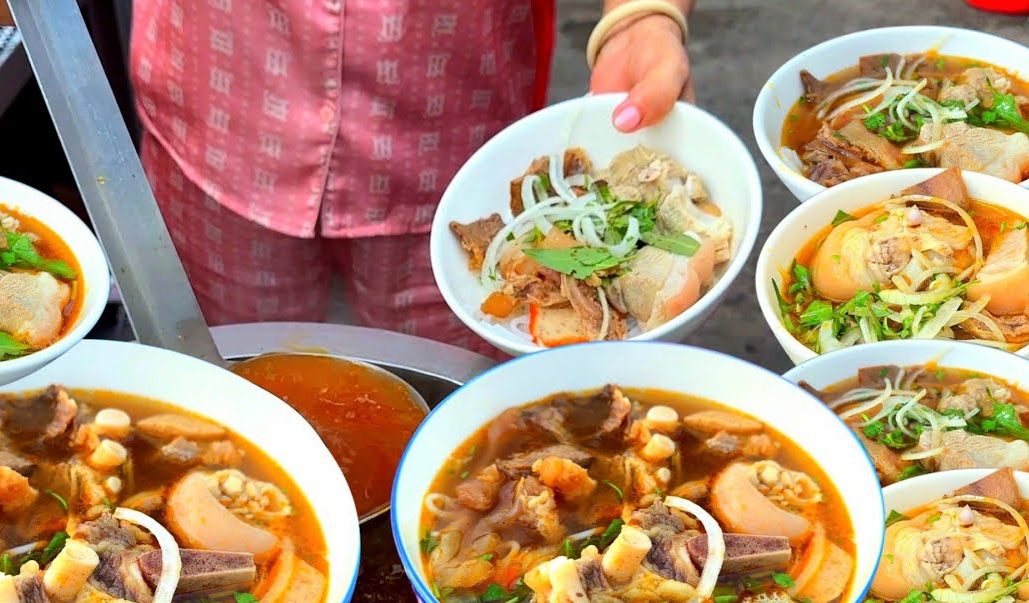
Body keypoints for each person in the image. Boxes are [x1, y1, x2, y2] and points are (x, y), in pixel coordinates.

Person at [125, 0, 694, 356]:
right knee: (218, 375)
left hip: (454, 133)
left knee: (461, 408)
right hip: (218, 91)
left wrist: (641, 13)